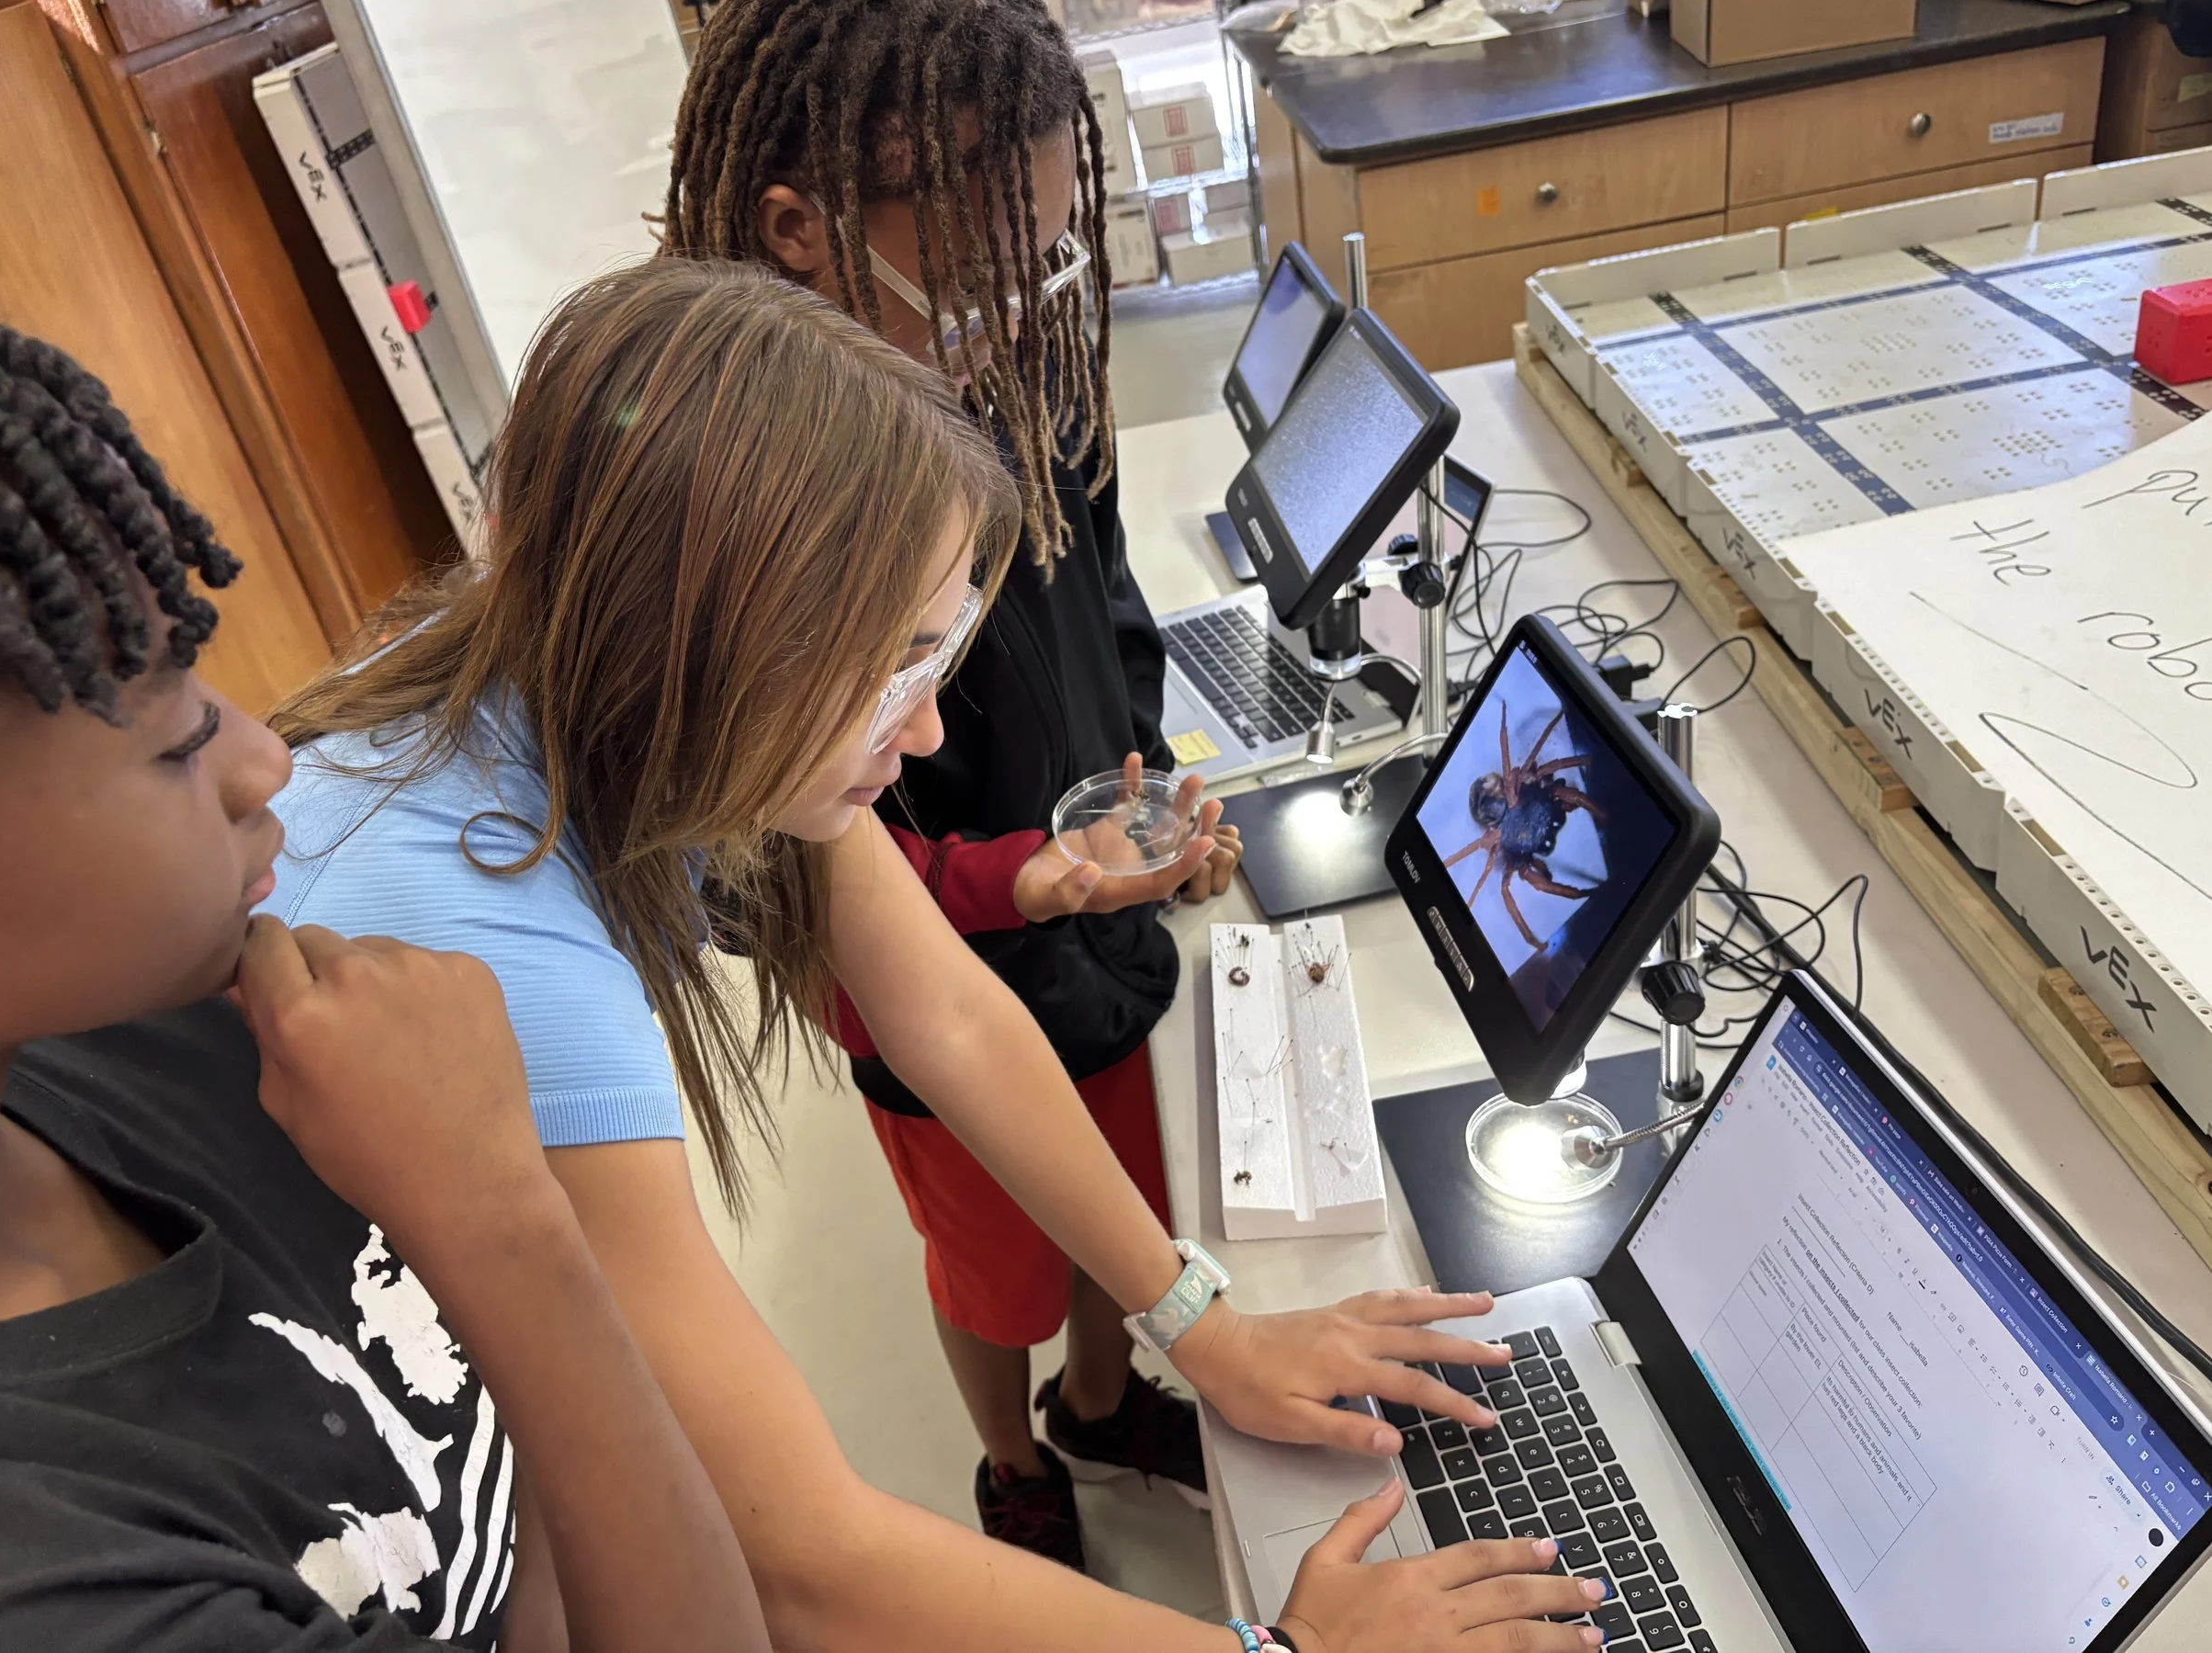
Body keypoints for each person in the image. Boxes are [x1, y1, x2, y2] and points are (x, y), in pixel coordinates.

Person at [265, 255, 1610, 1651]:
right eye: (895, 667)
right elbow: (793, 1558)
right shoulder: (504, 957)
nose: (920, 733)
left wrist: (1201, 1322)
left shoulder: (589, 667)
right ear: (731, 645)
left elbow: (945, 1011)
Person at [0, 293, 767, 1651]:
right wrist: (503, 1226)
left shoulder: (178, 1033)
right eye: (174, 740)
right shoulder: (23, 1590)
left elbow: (509, 1567)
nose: (268, 759)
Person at [659, 0, 1244, 1557]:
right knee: (996, 1257)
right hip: (941, 935)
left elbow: (1109, 603)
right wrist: (1020, 883)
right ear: (802, 237)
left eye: (1056, 260)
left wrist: (1145, 806)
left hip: (1079, 896)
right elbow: (782, 890)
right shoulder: (744, 518)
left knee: (1116, 1195)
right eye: (991, 271)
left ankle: (1105, 1407)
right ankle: (1016, 1460)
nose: (1028, 309)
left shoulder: (1019, 378)